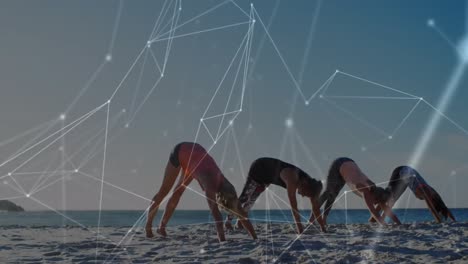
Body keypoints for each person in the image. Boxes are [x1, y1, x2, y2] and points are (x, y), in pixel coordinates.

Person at [145, 142, 257, 242]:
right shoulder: (210, 187)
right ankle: (148, 226)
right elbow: (217, 216)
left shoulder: (227, 186)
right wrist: (222, 240)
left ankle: (161, 227)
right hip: (180, 151)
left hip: (195, 153)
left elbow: (241, 213)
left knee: (178, 193)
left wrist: (254, 237)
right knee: (164, 191)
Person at [226, 157, 326, 234]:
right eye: (305, 194)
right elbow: (294, 207)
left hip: (268, 177)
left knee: (251, 200)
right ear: (305, 185)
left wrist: (322, 228)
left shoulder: (312, 186)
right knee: (245, 197)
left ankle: (240, 222)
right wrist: (300, 229)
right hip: (260, 167)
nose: (303, 196)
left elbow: (316, 209)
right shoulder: (292, 178)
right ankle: (228, 222)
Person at [319, 157, 401, 226]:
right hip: (338, 164)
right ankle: (313, 218)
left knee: (333, 195)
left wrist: (398, 223)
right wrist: (383, 225)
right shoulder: (365, 192)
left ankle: (323, 220)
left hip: (350, 165)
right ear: (375, 196)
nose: (376, 204)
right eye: (376, 202)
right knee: (329, 193)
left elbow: (386, 209)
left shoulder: (375, 190)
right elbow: (374, 212)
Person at [370, 166, 456, 223]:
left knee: (391, 200)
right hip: (401, 172)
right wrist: (439, 221)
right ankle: (375, 220)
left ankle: (374, 220)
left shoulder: (434, 194)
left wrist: (454, 221)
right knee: (389, 197)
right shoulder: (427, 192)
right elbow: (431, 209)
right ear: (434, 202)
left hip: (407, 178)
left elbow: (444, 207)